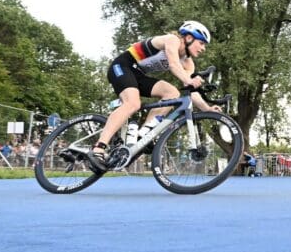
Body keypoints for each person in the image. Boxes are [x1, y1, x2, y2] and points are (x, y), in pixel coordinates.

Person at [88, 20, 220, 173]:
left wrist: (207, 108)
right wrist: (189, 79)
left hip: (137, 74)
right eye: (201, 43)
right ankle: (99, 148)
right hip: (122, 66)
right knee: (132, 103)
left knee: (172, 93)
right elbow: (173, 65)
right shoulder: (173, 40)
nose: (203, 48)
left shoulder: (189, 63)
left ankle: (142, 136)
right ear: (189, 37)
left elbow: (191, 91)